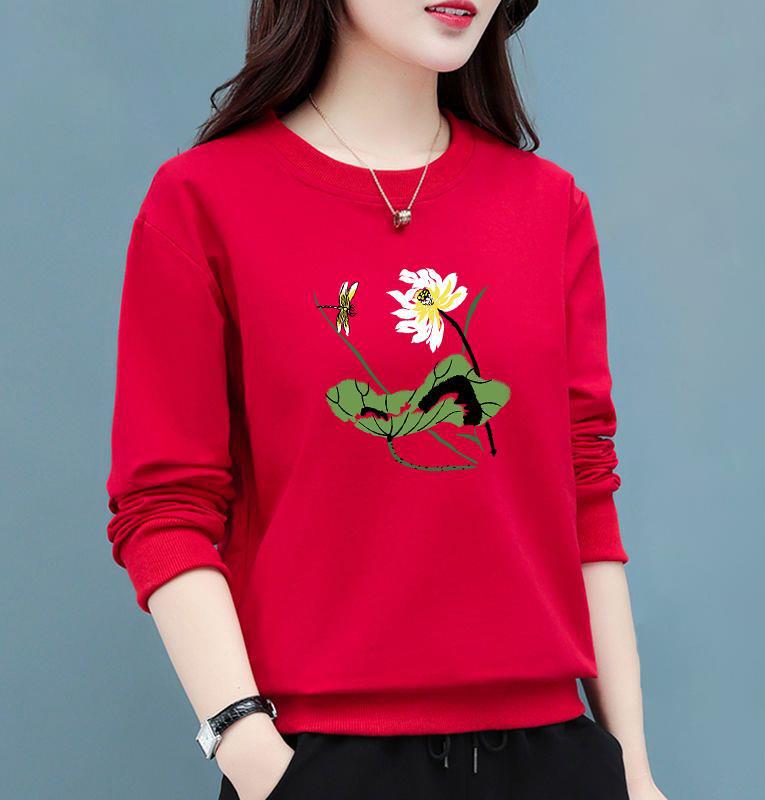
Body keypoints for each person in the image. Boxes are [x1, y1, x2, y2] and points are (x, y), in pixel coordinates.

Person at [105, 1, 668, 798]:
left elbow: (586, 493)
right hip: (320, 762)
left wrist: (634, 771)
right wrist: (254, 755)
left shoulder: (550, 207)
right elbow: (163, 507)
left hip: (554, 760)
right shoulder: (202, 200)